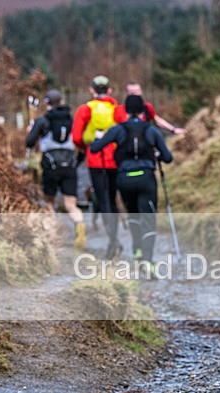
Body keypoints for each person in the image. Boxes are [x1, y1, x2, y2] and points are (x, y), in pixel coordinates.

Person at [90, 94, 173, 277]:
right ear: (143, 111)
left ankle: (136, 249)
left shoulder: (118, 130)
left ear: (126, 111)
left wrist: (99, 137)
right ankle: (148, 261)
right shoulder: (151, 131)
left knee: (133, 213)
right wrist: (156, 153)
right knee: (148, 218)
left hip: (124, 179)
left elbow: (95, 148)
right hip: (146, 179)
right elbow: (168, 158)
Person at [26, 89, 86, 250]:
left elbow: (29, 143)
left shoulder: (42, 121)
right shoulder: (72, 120)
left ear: (47, 103)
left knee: (50, 203)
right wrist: (76, 162)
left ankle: (54, 235)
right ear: (61, 102)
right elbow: (82, 144)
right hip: (69, 166)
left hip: (50, 167)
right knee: (71, 204)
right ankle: (79, 224)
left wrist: (30, 132)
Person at [72, 75, 122, 260]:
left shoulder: (85, 110)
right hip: (114, 160)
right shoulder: (116, 110)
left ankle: (113, 242)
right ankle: (114, 240)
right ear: (110, 90)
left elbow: (76, 136)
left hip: (95, 160)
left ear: (91, 90)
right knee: (112, 198)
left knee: (103, 200)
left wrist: (85, 147)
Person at [114, 82, 187, 137]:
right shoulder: (118, 110)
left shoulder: (147, 107)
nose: (134, 94)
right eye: (132, 92)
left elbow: (157, 120)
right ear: (127, 93)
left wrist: (173, 129)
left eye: (137, 91)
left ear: (141, 92)